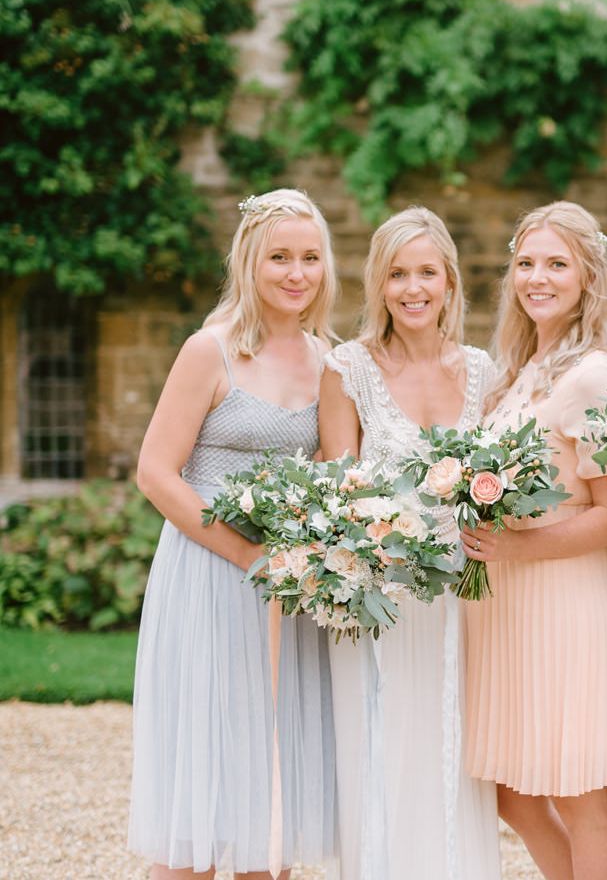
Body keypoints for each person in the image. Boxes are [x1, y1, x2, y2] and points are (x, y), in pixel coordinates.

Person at [128, 188, 338, 879]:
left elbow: (341, 477)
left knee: (271, 779)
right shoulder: (208, 350)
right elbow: (157, 474)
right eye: (280, 257)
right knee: (205, 779)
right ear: (250, 260)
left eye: (310, 258)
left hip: (289, 586)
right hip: (209, 574)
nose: (296, 273)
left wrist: (313, 556)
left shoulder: (327, 363)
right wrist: (250, 555)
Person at [318, 206, 501, 880]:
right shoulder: (349, 368)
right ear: (379, 283)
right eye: (398, 273)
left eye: (427, 272)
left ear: (450, 282)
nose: (413, 288)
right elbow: (337, 490)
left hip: (464, 597)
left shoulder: (483, 371)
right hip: (383, 599)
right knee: (383, 749)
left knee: (453, 757)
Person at [460, 201, 607, 880]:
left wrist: (520, 549)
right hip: (503, 608)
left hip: (563, 604)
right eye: (526, 263)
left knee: (575, 787)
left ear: (588, 277)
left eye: (557, 264)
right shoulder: (516, 374)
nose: (538, 277)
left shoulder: (593, 377)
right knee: (509, 788)